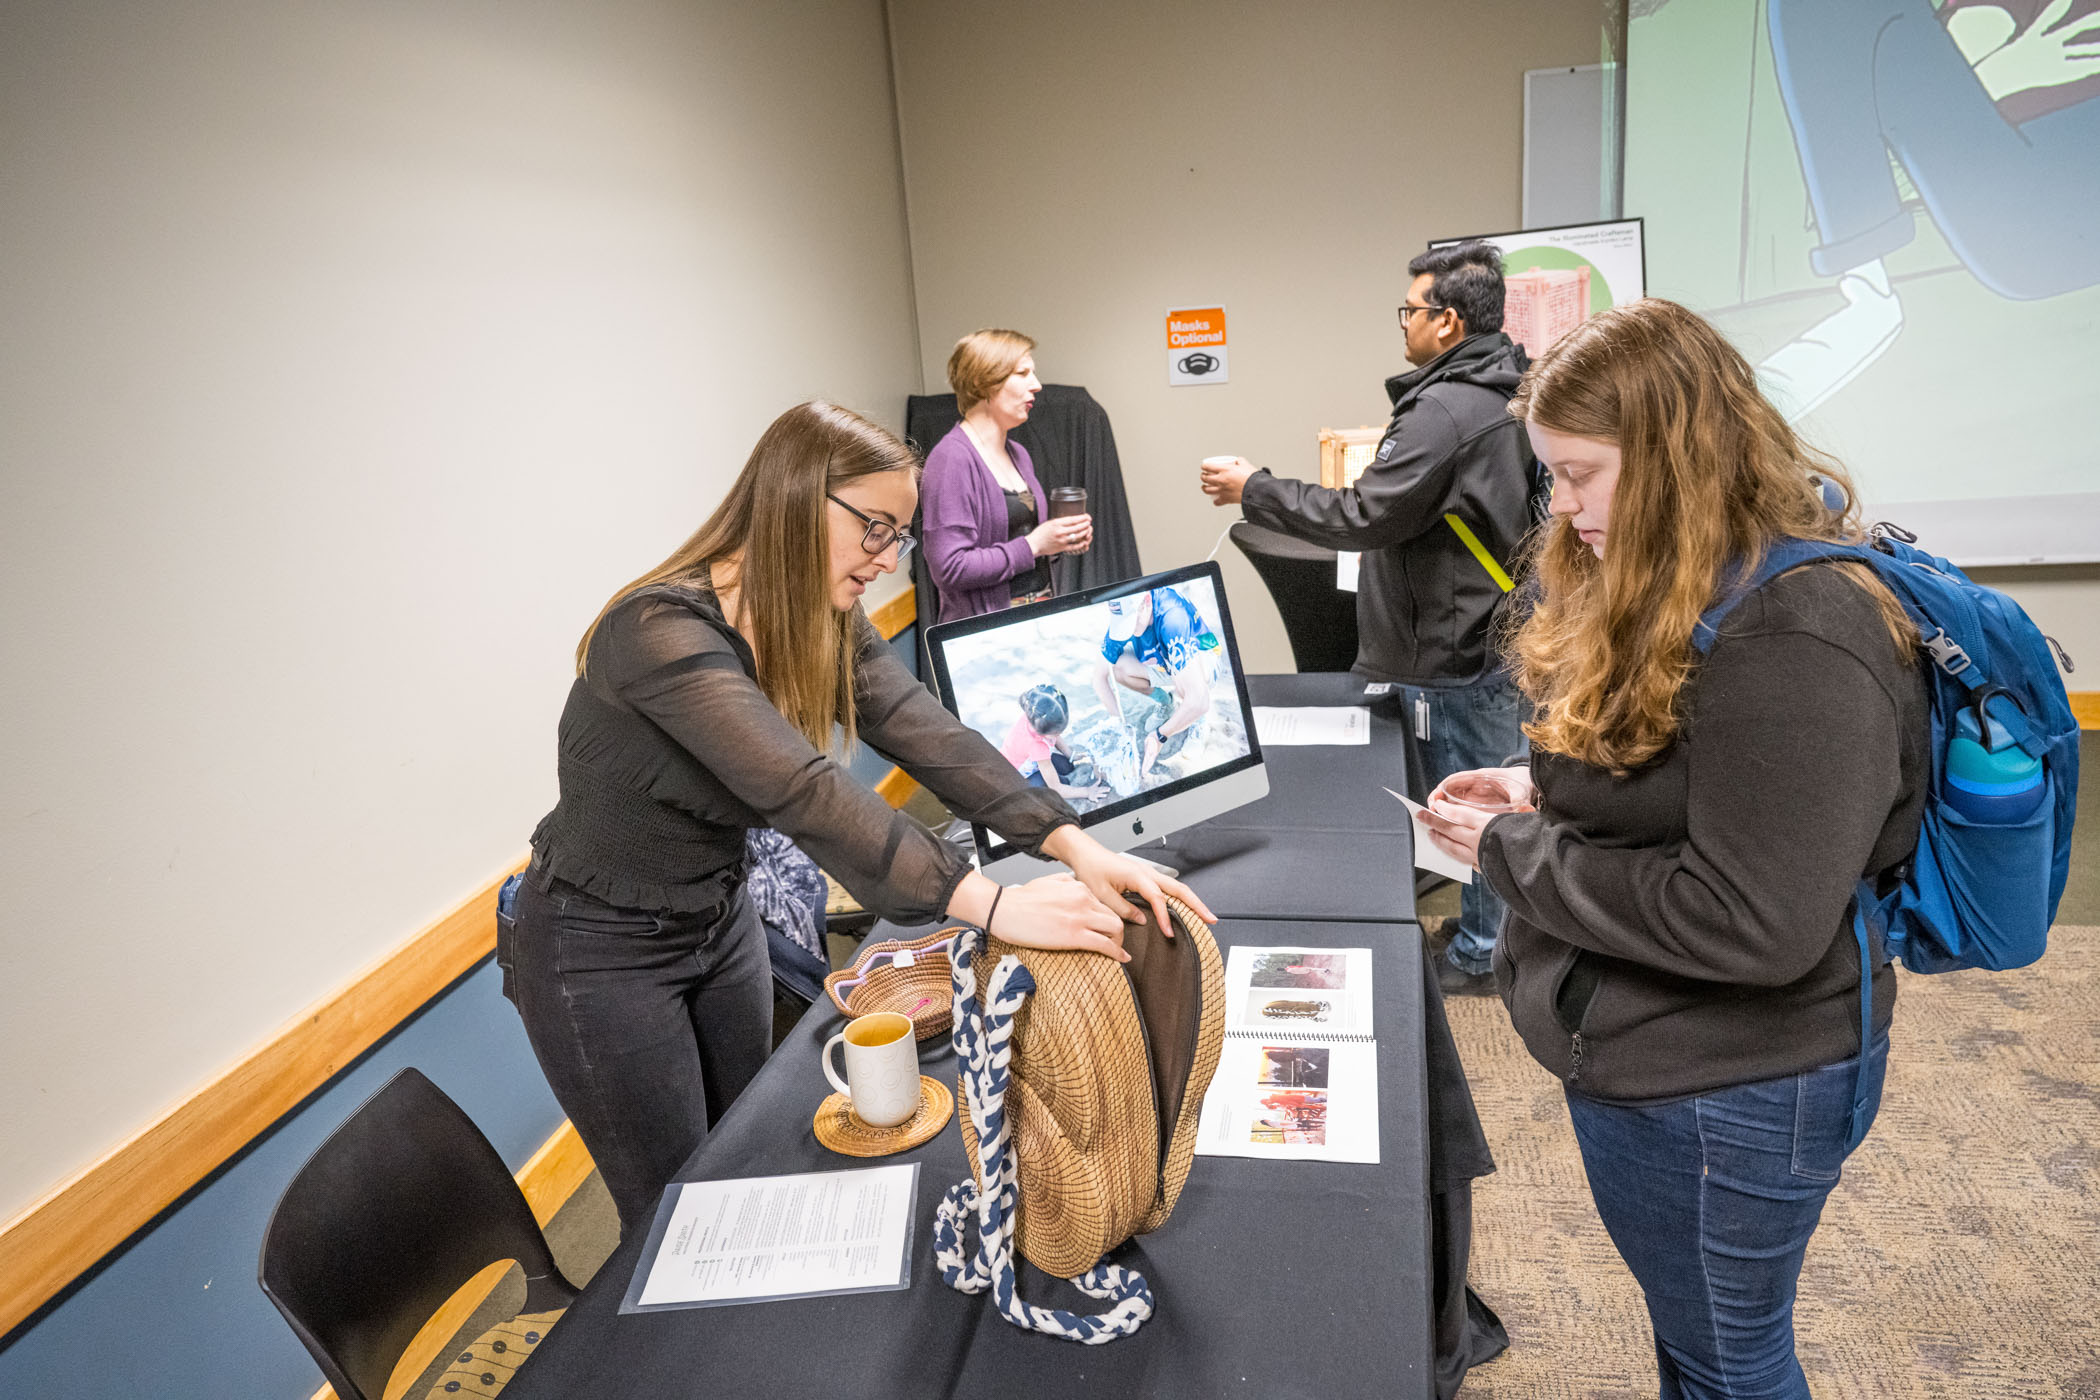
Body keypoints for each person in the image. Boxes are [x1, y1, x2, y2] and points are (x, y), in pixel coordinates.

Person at [504, 401, 1212, 1234]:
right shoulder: (656, 631)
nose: (886, 559)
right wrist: (995, 905)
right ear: (794, 499)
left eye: (898, 537)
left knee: (744, 1156)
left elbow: (927, 731)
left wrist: (1073, 844)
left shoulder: (822, 617)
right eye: (874, 529)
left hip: (718, 919)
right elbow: (803, 791)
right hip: (598, 948)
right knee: (671, 1212)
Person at [1419, 300, 1927, 1399]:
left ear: (1672, 457)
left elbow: (1750, 919)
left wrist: (1511, 849)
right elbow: (1693, 777)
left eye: (1580, 475)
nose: (1562, 506)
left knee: (1730, 1363)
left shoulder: (1798, 632)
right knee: (1703, 1342)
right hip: (1671, 1061)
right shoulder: (1692, 577)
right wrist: (1541, 787)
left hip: (1732, 1087)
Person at [1200, 241, 1536, 996]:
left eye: (1409, 310)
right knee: (1486, 791)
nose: (1404, 323)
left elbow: (1364, 514)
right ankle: (1484, 936)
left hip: (1453, 646)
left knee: (1468, 802)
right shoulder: (1503, 388)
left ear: (1448, 321)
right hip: (1490, 629)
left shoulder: (1445, 410)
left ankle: (1483, 954)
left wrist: (1254, 487)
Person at [921, 329, 1092, 623]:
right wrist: (1034, 544)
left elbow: (1024, 543)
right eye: (1022, 373)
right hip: (987, 634)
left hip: (1038, 618)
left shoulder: (1018, 454)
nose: (1036, 385)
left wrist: (1058, 541)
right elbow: (950, 568)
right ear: (983, 382)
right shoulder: (951, 459)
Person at [1092, 587, 1217, 778]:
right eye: (1124, 623)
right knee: (1119, 669)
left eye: (1131, 621)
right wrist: (1121, 728)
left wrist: (1159, 736)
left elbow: (1200, 700)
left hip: (1201, 658)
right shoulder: (1126, 614)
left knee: (1190, 690)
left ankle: (1198, 722)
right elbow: (1098, 678)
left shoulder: (1172, 618)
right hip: (1165, 662)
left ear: (1146, 602)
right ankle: (1165, 702)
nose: (1129, 630)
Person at [1000, 683, 1113, 804]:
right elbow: (1057, 788)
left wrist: (1070, 754)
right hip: (1018, 776)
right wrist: (1087, 792)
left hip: (1033, 760)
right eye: (1056, 733)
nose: (1058, 735)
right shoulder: (1038, 746)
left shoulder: (1036, 714)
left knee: (1067, 766)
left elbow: (1054, 733)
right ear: (1043, 732)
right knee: (1061, 784)